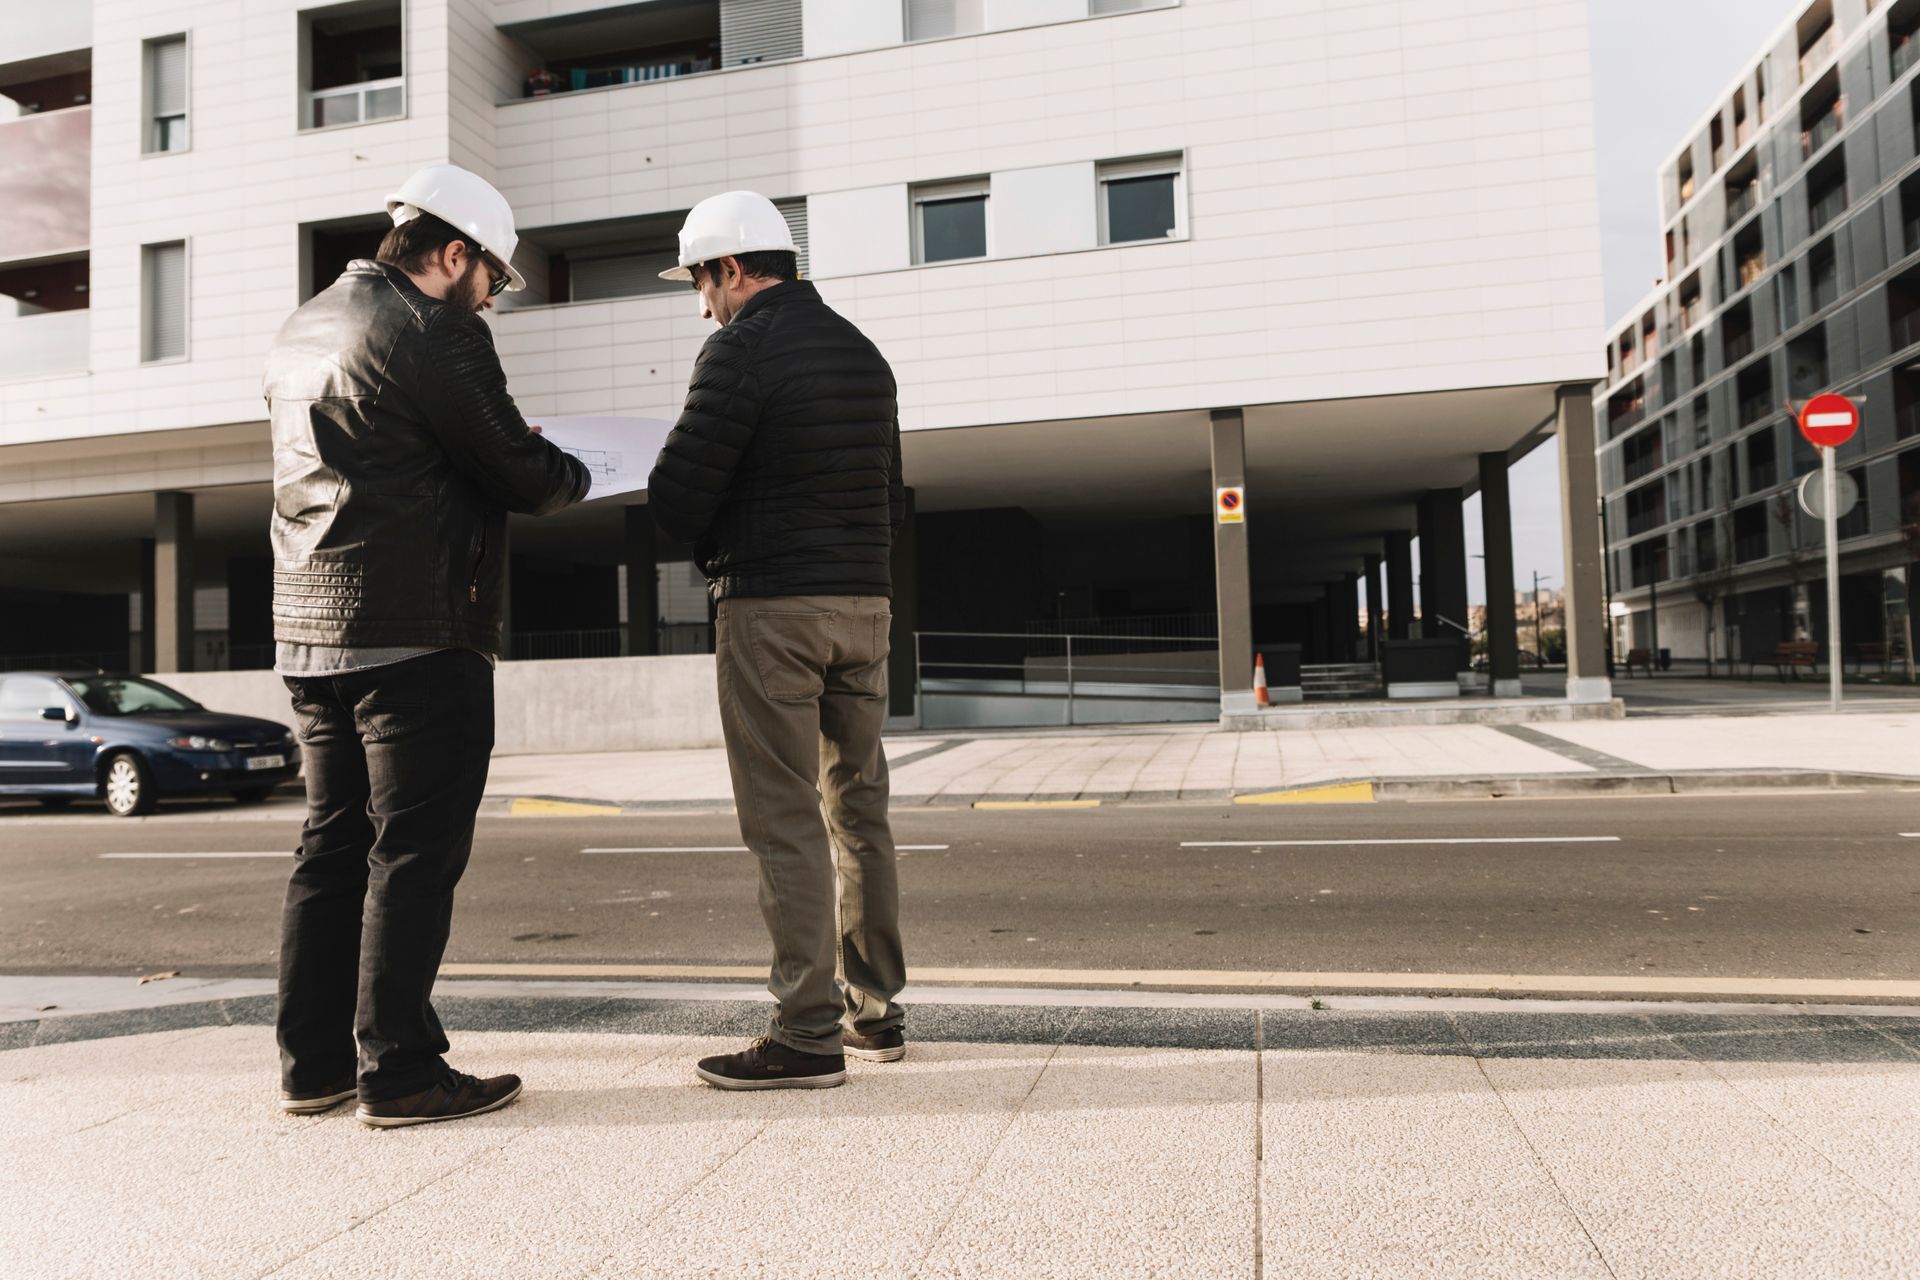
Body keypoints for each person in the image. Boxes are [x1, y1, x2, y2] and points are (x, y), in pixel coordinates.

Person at [265, 164, 590, 1127]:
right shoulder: (438, 328)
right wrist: (575, 467)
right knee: (413, 854)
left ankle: (312, 1066)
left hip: (311, 632)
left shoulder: (307, 322)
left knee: (332, 847)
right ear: (454, 254)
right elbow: (522, 475)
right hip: (414, 633)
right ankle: (401, 1073)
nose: (492, 294)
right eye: (492, 274)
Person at [647, 191, 908, 1090]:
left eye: (701, 282)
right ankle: (876, 1013)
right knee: (859, 809)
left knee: (785, 820)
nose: (701, 302)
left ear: (731, 269)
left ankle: (805, 1034)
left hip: (773, 610)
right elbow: (891, 488)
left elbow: (677, 501)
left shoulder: (738, 350)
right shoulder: (864, 354)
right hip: (865, 606)